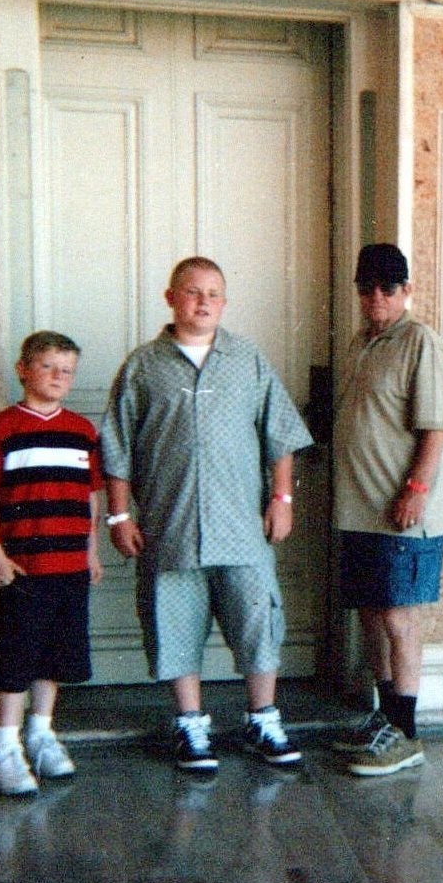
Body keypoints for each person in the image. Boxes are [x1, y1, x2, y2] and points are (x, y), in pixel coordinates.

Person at [100, 257, 313, 772]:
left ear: (224, 302)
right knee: (174, 622)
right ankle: (191, 725)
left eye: (214, 294)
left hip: (242, 526)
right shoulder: (143, 366)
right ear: (171, 298)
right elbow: (116, 448)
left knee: (257, 620)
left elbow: (280, 435)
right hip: (170, 525)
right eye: (193, 292)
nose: (203, 302)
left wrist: (282, 499)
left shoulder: (248, 359)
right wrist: (118, 516)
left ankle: (263, 719)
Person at [0, 331, 104, 795]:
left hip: (70, 566)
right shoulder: (2, 428)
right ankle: (4, 747)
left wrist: (90, 550)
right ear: (23, 370)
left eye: (67, 371)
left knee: (56, 654)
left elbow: (90, 497)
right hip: (24, 566)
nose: (58, 377)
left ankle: (41, 734)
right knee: (18, 654)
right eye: (48, 367)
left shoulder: (82, 431)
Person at [332, 243, 443, 776]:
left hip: (401, 513)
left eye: (387, 288)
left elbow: (436, 427)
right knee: (371, 614)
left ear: (407, 291)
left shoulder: (420, 341)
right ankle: (386, 719)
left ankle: (407, 735)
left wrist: (416, 490)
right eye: (367, 288)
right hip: (358, 510)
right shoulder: (361, 342)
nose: (376, 297)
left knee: (398, 618)